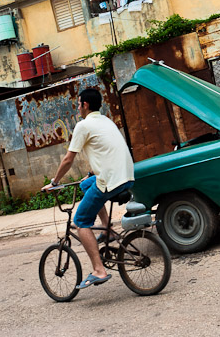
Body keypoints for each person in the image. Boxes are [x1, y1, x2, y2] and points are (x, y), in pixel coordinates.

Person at [42, 88, 134, 289]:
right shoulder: (106, 121)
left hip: (111, 181)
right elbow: (105, 153)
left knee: (81, 221)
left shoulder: (83, 126)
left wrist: (55, 182)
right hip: (126, 176)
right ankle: (108, 228)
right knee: (85, 184)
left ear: (84, 105)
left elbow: (68, 159)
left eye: (78, 104)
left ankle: (99, 270)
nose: (78, 108)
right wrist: (92, 174)